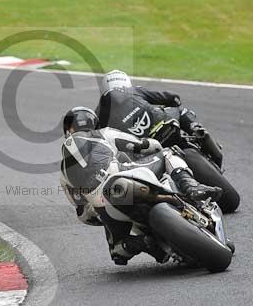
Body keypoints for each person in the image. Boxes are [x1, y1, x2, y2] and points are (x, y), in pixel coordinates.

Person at [59, 106, 221, 266]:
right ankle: (191, 187)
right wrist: (150, 146)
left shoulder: (63, 175)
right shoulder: (103, 133)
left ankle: (141, 243)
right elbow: (146, 145)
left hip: (104, 205)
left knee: (117, 251)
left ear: (68, 130)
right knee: (168, 153)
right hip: (120, 178)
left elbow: (83, 214)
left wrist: (99, 213)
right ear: (94, 123)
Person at [95, 69, 223, 167]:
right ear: (126, 82)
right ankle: (197, 130)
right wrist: (172, 103)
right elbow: (172, 97)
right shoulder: (134, 90)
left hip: (141, 148)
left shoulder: (99, 113)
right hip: (164, 126)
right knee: (180, 111)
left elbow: (100, 141)